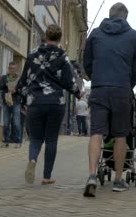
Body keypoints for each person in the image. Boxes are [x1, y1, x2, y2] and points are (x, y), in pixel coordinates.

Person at [83, 3, 136, 196]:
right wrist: (128, 83)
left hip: (99, 89)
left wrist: (97, 79)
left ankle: (92, 175)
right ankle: (118, 180)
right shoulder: (135, 36)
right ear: (125, 17)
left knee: (96, 133)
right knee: (120, 136)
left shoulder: (95, 34)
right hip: (121, 90)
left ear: (109, 16)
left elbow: (87, 61)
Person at [17, 24, 82, 185]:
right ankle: (46, 176)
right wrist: (79, 93)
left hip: (36, 101)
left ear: (45, 36)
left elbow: (23, 81)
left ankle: (33, 159)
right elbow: (69, 82)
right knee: (51, 139)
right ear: (59, 38)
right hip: (55, 102)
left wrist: (24, 99)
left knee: (36, 138)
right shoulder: (63, 56)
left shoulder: (32, 54)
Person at [0, 62, 22, 148]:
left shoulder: (19, 78)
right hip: (6, 102)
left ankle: (18, 142)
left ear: (16, 69)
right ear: (8, 69)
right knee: (6, 123)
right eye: (10, 68)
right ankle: (6, 141)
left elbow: (24, 90)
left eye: (13, 68)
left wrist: (16, 91)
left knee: (16, 123)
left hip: (16, 102)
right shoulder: (4, 78)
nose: (12, 70)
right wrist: (5, 85)